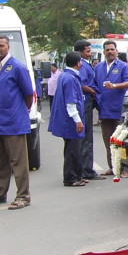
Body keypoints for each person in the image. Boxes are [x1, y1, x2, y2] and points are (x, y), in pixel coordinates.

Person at [0, 35, 34, 210]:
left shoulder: (17, 67)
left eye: (1, 46)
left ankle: (23, 196)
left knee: (18, 162)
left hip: (13, 123)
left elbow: (28, 94)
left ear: (8, 47)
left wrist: (17, 112)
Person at [94, 39, 128, 176]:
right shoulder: (98, 67)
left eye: (112, 49)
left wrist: (115, 86)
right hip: (104, 110)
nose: (110, 52)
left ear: (116, 51)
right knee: (108, 141)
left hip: (118, 110)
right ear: (103, 52)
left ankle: (126, 169)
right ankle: (113, 167)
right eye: (107, 50)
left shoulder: (123, 66)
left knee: (121, 140)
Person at [48, 52, 86, 186]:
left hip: (66, 119)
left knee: (73, 148)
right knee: (72, 150)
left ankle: (78, 174)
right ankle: (71, 178)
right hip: (70, 120)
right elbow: (71, 103)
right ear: (78, 63)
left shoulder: (64, 75)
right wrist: (78, 121)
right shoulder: (70, 78)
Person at [74, 40, 102, 181]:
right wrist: (93, 92)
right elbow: (82, 84)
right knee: (86, 139)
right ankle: (87, 170)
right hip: (85, 102)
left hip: (85, 101)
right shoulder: (82, 66)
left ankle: (83, 168)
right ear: (80, 52)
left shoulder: (84, 64)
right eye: (87, 51)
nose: (90, 54)